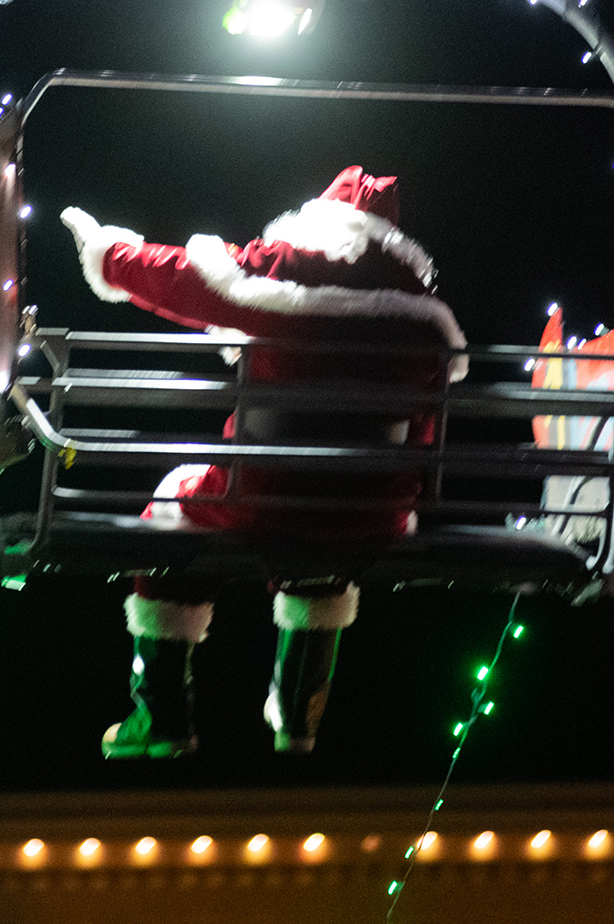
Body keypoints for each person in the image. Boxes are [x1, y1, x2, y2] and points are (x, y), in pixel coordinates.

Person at [59, 166, 467, 758]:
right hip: (367, 516)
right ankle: (298, 720)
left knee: (175, 506)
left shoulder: (287, 270)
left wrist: (109, 254)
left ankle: (162, 716)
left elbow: (186, 277)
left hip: (262, 500)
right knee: (328, 546)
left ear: (323, 222)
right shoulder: (425, 314)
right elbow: (423, 440)